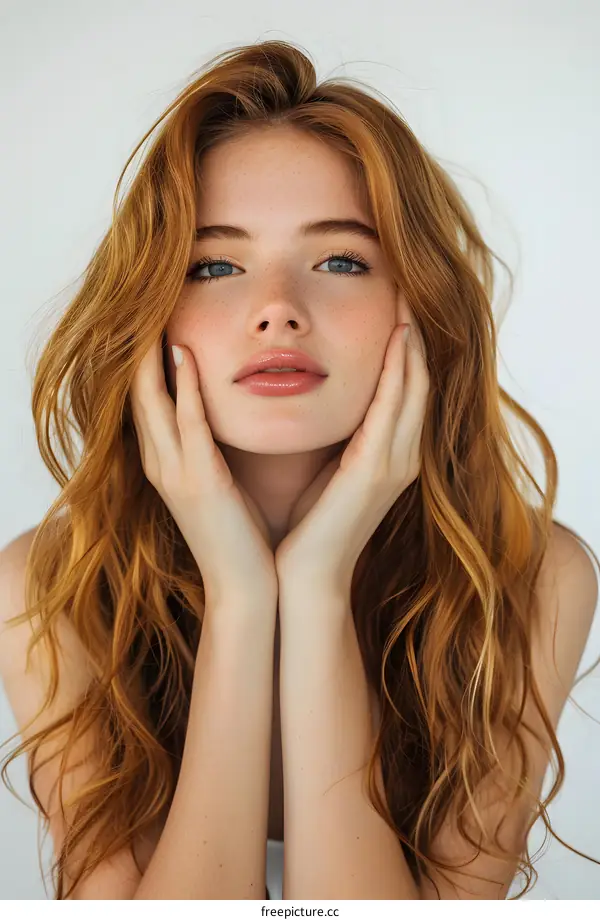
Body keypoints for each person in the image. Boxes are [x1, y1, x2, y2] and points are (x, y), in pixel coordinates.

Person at [0, 39, 598, 901]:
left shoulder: (533, 579)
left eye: (341, 261)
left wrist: (316, 588)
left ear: (420, 305)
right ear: (147, 310)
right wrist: (244, 599)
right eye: (214, 266)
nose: (277, 307)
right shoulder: (51, 586)